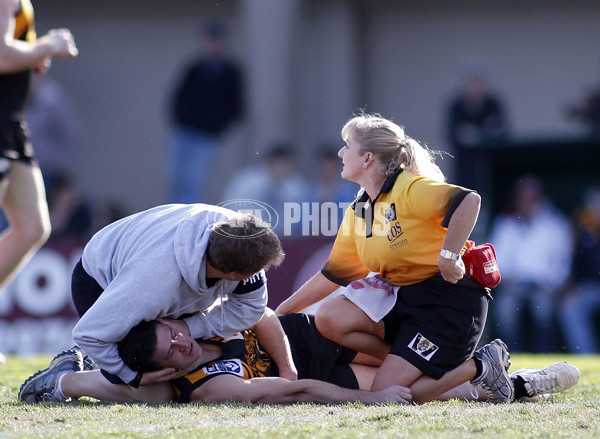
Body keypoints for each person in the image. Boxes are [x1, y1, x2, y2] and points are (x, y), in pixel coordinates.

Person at [275, 112, 509, 404]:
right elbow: (332, 275)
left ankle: (481, 364)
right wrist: (277, 315)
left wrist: (449, 256)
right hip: (406, 303)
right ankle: (415, 362)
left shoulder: (409, 187)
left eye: (347, 146)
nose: (340, 153)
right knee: (329, 317)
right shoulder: (360, 209)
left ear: (368, 158)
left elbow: (468, 201)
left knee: (390, 394)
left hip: (450, 305)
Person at [19, 308, 580, 405]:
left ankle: (481, 368)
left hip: (306, 340)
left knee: (394, 355)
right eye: (174, 350)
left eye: (175, 332)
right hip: (316, 371)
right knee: (400, 390)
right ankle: (504, 380)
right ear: (167, 363)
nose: (183, 341)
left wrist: (284, 361)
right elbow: (295, 391)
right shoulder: (197, 386)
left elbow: (260, 314)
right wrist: (375, 398)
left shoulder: (190, 316)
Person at [67, 203, 286, 391]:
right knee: (152, 391)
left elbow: (252, 309)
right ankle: (64, 380)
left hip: (153, 268)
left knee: (183, 372)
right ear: (234, 275)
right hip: (102, 279)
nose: (261, 273)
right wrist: (132, 377)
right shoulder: (150, 286)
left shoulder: (238, 234)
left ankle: (98, 366)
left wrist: (188, 327)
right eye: (258, 270)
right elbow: (89, 334)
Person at [0, 0, 78, 290]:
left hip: (10, 122)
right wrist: (48, 45)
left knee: (33, 227)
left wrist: (32, 52)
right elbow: (3, 55)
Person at [489, 176, 573, 353]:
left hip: (544, 285)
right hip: (514, 283)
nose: (526, 204)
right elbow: (497, 257)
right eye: (522, 199)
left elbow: (562, 261)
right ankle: (509, 354)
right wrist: (508, 277)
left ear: (542, 199)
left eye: (532, 199)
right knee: (505, 311)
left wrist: (552, 284)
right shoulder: (506, 222)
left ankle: (545, 353)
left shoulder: (556, 223)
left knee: (543, 312)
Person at [168, 21, 243, 204]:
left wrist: (219, 124)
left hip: (207, 135)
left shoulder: (231, 71)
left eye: (216, 40)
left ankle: (189, 217)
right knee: (177, 178)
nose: (212, 45)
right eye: (210, 40)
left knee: (196, 179)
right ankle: (175, 216)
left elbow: (236, 104)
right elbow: (178, 96)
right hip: (184, 131)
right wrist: (180, 119)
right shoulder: (194, 68)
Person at [220, 143, 309, 236]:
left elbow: (300, 218)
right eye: (279, 162)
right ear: (269, 161)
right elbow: (230, 207)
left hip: (284, 239)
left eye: (286, 163)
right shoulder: (246, 180)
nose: (282, 166)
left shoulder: (296, 185)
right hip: (246, 235)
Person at [446, 59, 508, 189]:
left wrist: (477, 135)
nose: (475, 86)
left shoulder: (493, 104)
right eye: (471, 82)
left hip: (491, 165)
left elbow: (502, 132)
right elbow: (453, 135)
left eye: (478, 82)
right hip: (465, 167)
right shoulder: (456, 106)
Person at [559, 188, 600, 353]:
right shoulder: (582, 229)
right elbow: (574, 262)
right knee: (570, 306)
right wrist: (571, 285)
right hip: (589, 288)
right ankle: (586, 354)